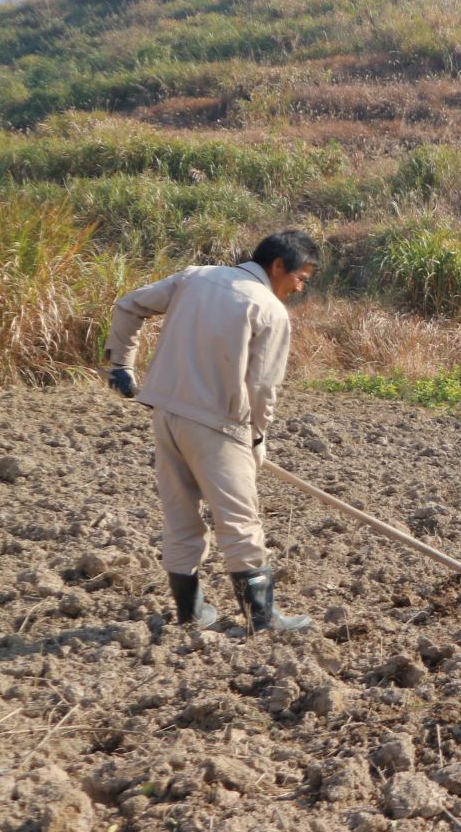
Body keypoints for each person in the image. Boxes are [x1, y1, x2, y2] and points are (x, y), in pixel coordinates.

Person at [105, 231, 320, 634]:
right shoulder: (268, 310)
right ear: (278, 266)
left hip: (166, 414)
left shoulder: (195, 276)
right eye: (301, 278)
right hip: (219, 425)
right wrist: (256, 436)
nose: (299, 287)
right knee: (240, 522)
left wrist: (120, 363)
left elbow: (128, 305)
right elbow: (262, 389)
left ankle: (191, 613)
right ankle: (262, 617)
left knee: (181, 516)